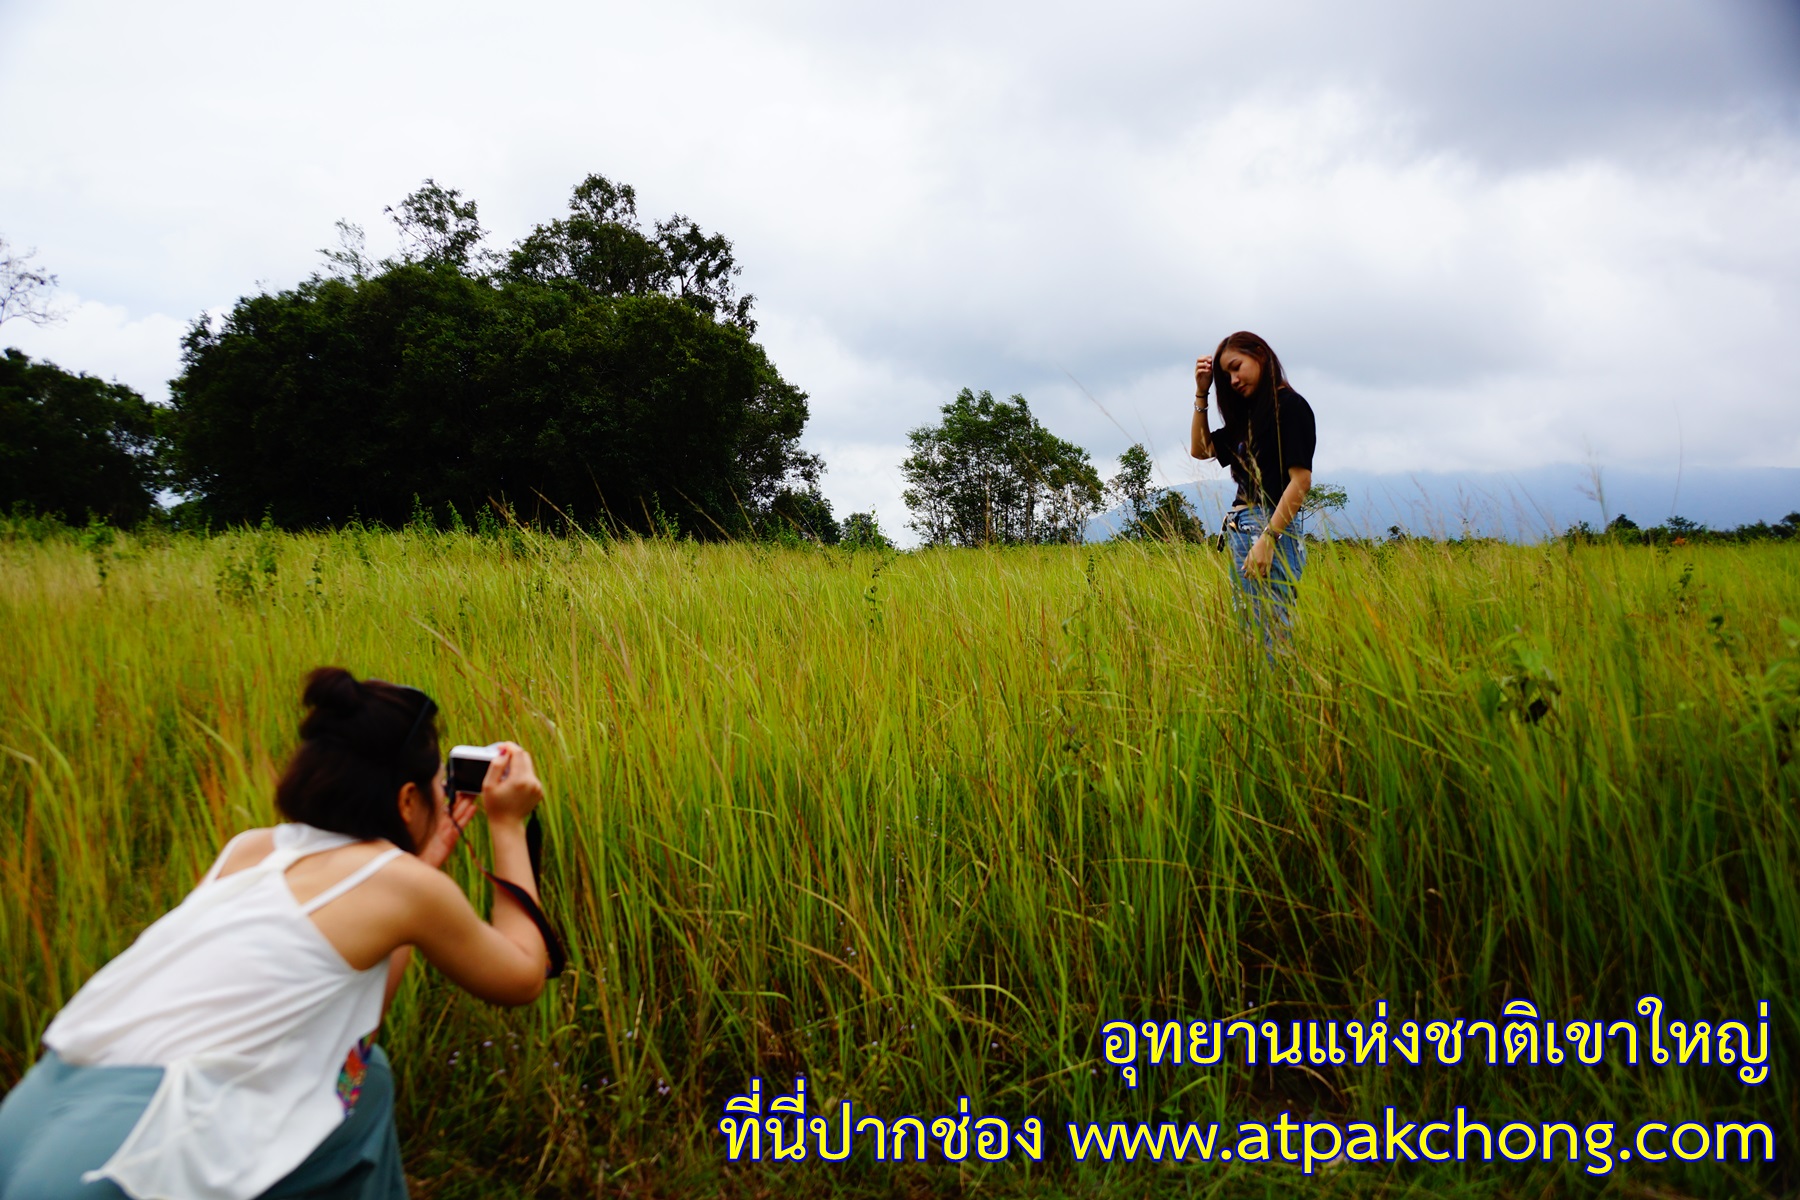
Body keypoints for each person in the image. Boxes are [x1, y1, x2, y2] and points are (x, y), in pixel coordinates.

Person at [0, 668, 551, 1200]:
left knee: (366, 1080)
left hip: (37, 1110)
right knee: (362, 1088)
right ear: (407, 801)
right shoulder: (400, 886)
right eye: (437, 787)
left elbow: (357, 1026)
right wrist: (507, 826)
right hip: (133, 1150)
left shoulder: (252, 848)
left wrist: (419, 866)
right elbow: (523, 975)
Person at [1189, 331, 1316, 640]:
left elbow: (1301, 480)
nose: (1232, 379)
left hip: (1270, 526)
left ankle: (1282, 689)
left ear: (1259, 354)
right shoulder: (1249, 417)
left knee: (1270, 631)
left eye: (1236, 366)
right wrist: (1202, 393)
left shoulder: (1290, 406)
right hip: (1243, 527)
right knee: (1252, 633)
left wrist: (1268, 539)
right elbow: (1201, 449)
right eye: (1226, 375)